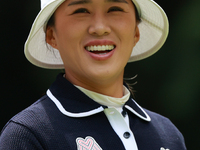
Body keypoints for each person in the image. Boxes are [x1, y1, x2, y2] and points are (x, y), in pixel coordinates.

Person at [0, 0, 186, 149]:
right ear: (52, 35)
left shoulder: (168, 136)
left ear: (136, 32)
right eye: (81, 11)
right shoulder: (29, 135)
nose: (99, 27)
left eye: (115, 8)